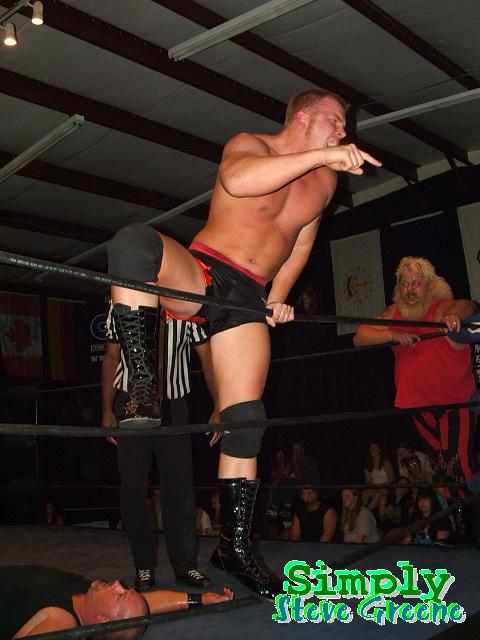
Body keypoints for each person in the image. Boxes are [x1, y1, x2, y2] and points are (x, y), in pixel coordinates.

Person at [107, 87, 381, 598]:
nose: (344, 131)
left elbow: (301, 241)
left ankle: (233, 547)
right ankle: (142, 387)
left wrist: (277, 297)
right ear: (303, 117)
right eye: (335, 120)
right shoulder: (250, 144)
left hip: (249, 299)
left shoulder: (325, 183)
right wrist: (323, 156)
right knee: (133, 243)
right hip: (205, 272)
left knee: (247, 420)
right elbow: (237, 180)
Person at [102, 307, 218, 591]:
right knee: (132, 489)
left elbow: (207, 356)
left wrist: (219, 405)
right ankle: (143, 565)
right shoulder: (123, 301)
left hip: (173, 403)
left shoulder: (185, 302)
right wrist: (106, 409)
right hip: (130, 401)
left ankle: (186, 566)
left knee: (180, 488)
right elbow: (112, 355)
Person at [354, 256, 479, 494]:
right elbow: (359, 336)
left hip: (455, 405)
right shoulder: (394, 313)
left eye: (416, 283)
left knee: (458, 465)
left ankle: (470, 513)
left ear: (429, 286)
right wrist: (392, 335)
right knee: (441, 469)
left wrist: (455, 316)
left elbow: (469, 305)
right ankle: (458, 515)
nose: (409, 289)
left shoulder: (439, 307)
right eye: (404, 283)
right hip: (420, 408)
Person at [0, 565, 233, 639]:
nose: (119, 583)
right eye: (126, 590)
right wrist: (201, 599)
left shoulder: (63, 622)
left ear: (102, 620)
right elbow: (147, 604)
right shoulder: (86, 596)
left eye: (119, 594)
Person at [362, 442, 394, 514]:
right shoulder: (368, 465)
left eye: (374, 448)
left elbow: (391, 479)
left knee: (378, 494)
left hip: (386, 487)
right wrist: (372, 485)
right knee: (364, 493)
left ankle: (366, 512)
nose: (372, 450)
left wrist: (381, 486)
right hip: (375, 487)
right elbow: (368, 481)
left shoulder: (385, 462)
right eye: (371, 448)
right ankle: (363, 509)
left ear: (379, 450)